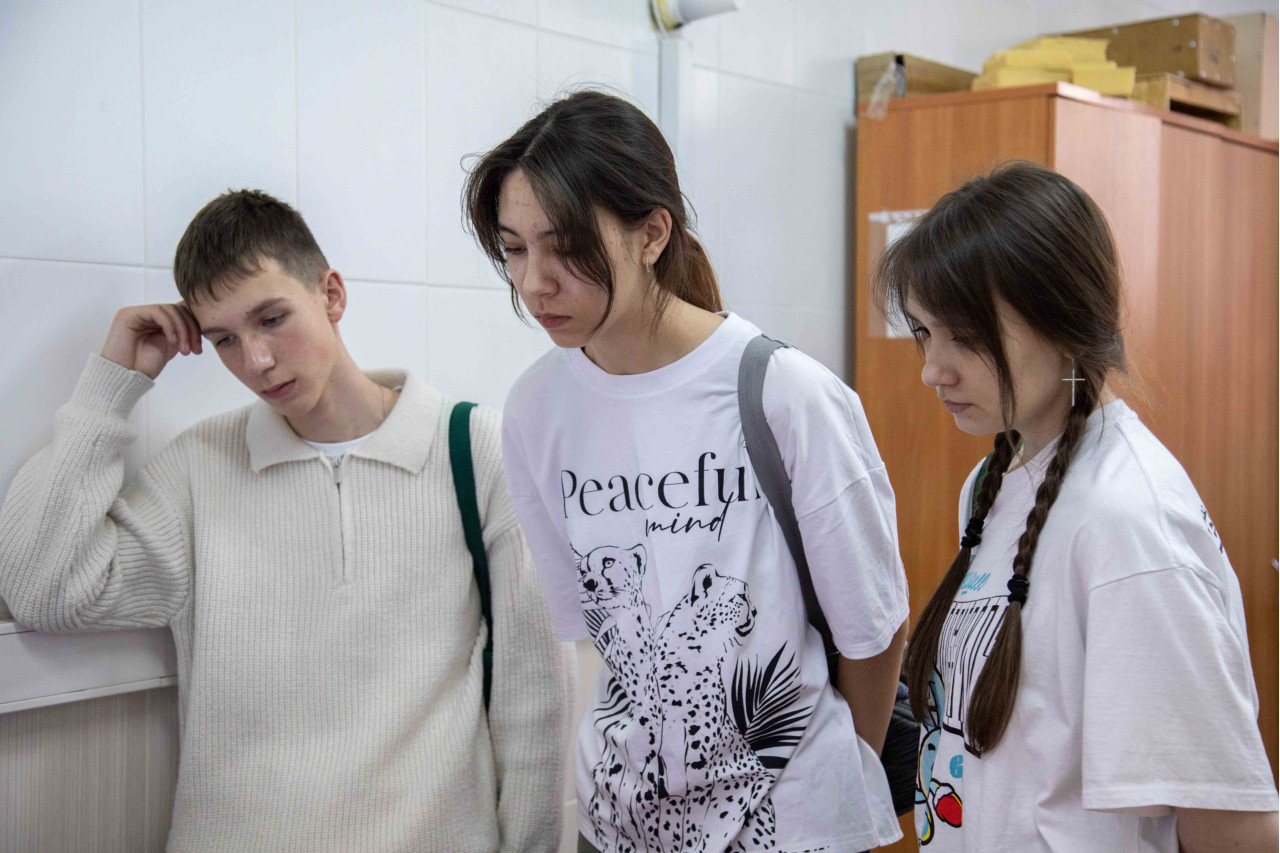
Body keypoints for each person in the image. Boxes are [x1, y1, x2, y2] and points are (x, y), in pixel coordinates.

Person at [0, 190, 572, 852]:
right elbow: (43, 589)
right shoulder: (200, 468)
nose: (256, 361)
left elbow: (533, 702)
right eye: (224, 340)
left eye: (271, 319)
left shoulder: (477, 449)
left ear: (331, 294)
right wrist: (110, 387)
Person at [464, 89, 909, 853]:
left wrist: (838, 772)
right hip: (621, 825)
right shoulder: (536, 408)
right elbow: (591, 638)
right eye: (514, 248)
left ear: (652, 233)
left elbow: (873, 627)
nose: (535, 282)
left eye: (563, 246)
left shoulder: (784, 393)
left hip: (787, 822)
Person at [875, 161, 1278, 852]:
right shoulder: (993, 480)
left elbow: (1230, 824)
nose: (932, 369)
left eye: (965, 336)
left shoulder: (1127, 520)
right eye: (923, 332)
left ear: (1064, 322)